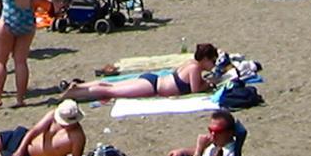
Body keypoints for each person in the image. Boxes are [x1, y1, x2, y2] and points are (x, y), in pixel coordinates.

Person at [60, 44, 219, 102]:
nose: (212, 65)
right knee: (111, 90)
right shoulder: (195, 68)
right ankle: (75, 92)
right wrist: (209, 84)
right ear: (204, 59)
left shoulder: (190, 63)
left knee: (110, 85)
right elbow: (195, 89)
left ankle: (81, 86)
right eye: (212, 61)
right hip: (152, 87)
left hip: (153, 81)